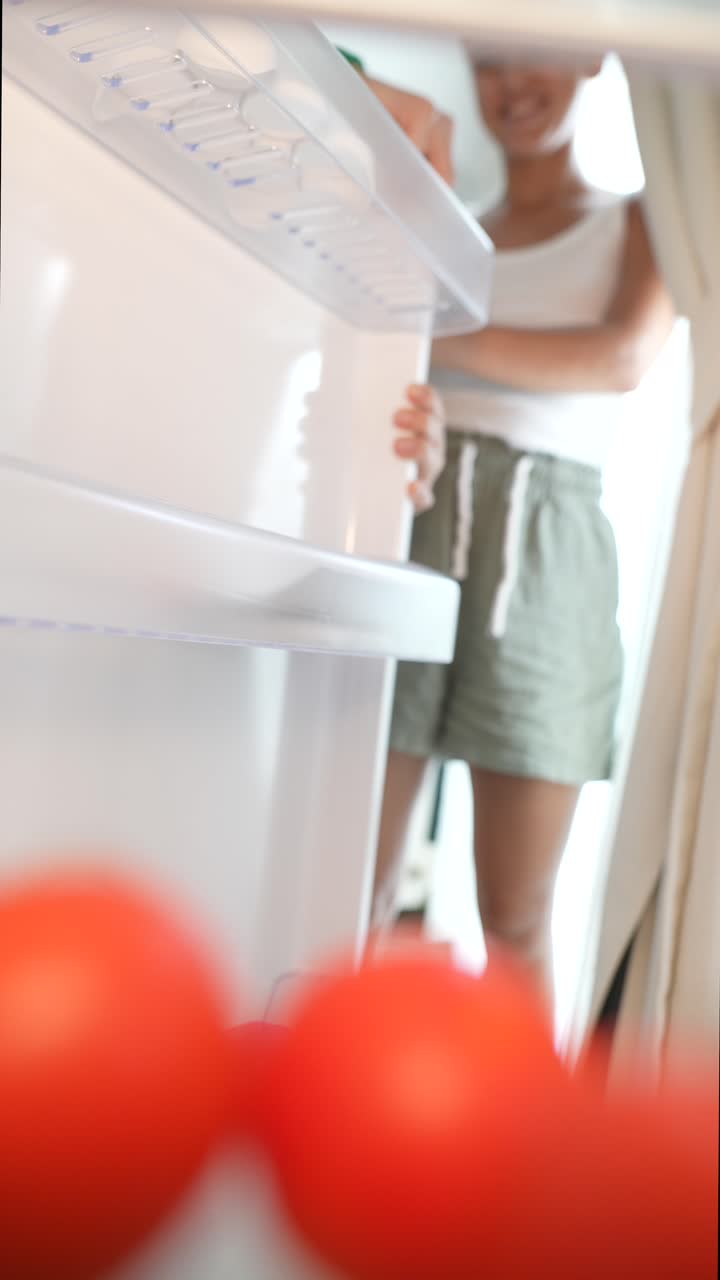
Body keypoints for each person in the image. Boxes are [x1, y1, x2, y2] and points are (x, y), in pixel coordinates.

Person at [367, 58, 675, 1004]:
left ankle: (532, 1154)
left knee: (515, 916)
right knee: (346, 877)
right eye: (489, 59)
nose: (511, 83)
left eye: (534, 49)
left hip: (547, 554)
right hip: (409, 519)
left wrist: (431, 334)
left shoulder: (646, 215)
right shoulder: (448, 226)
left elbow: (621, 355)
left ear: (590, 53)